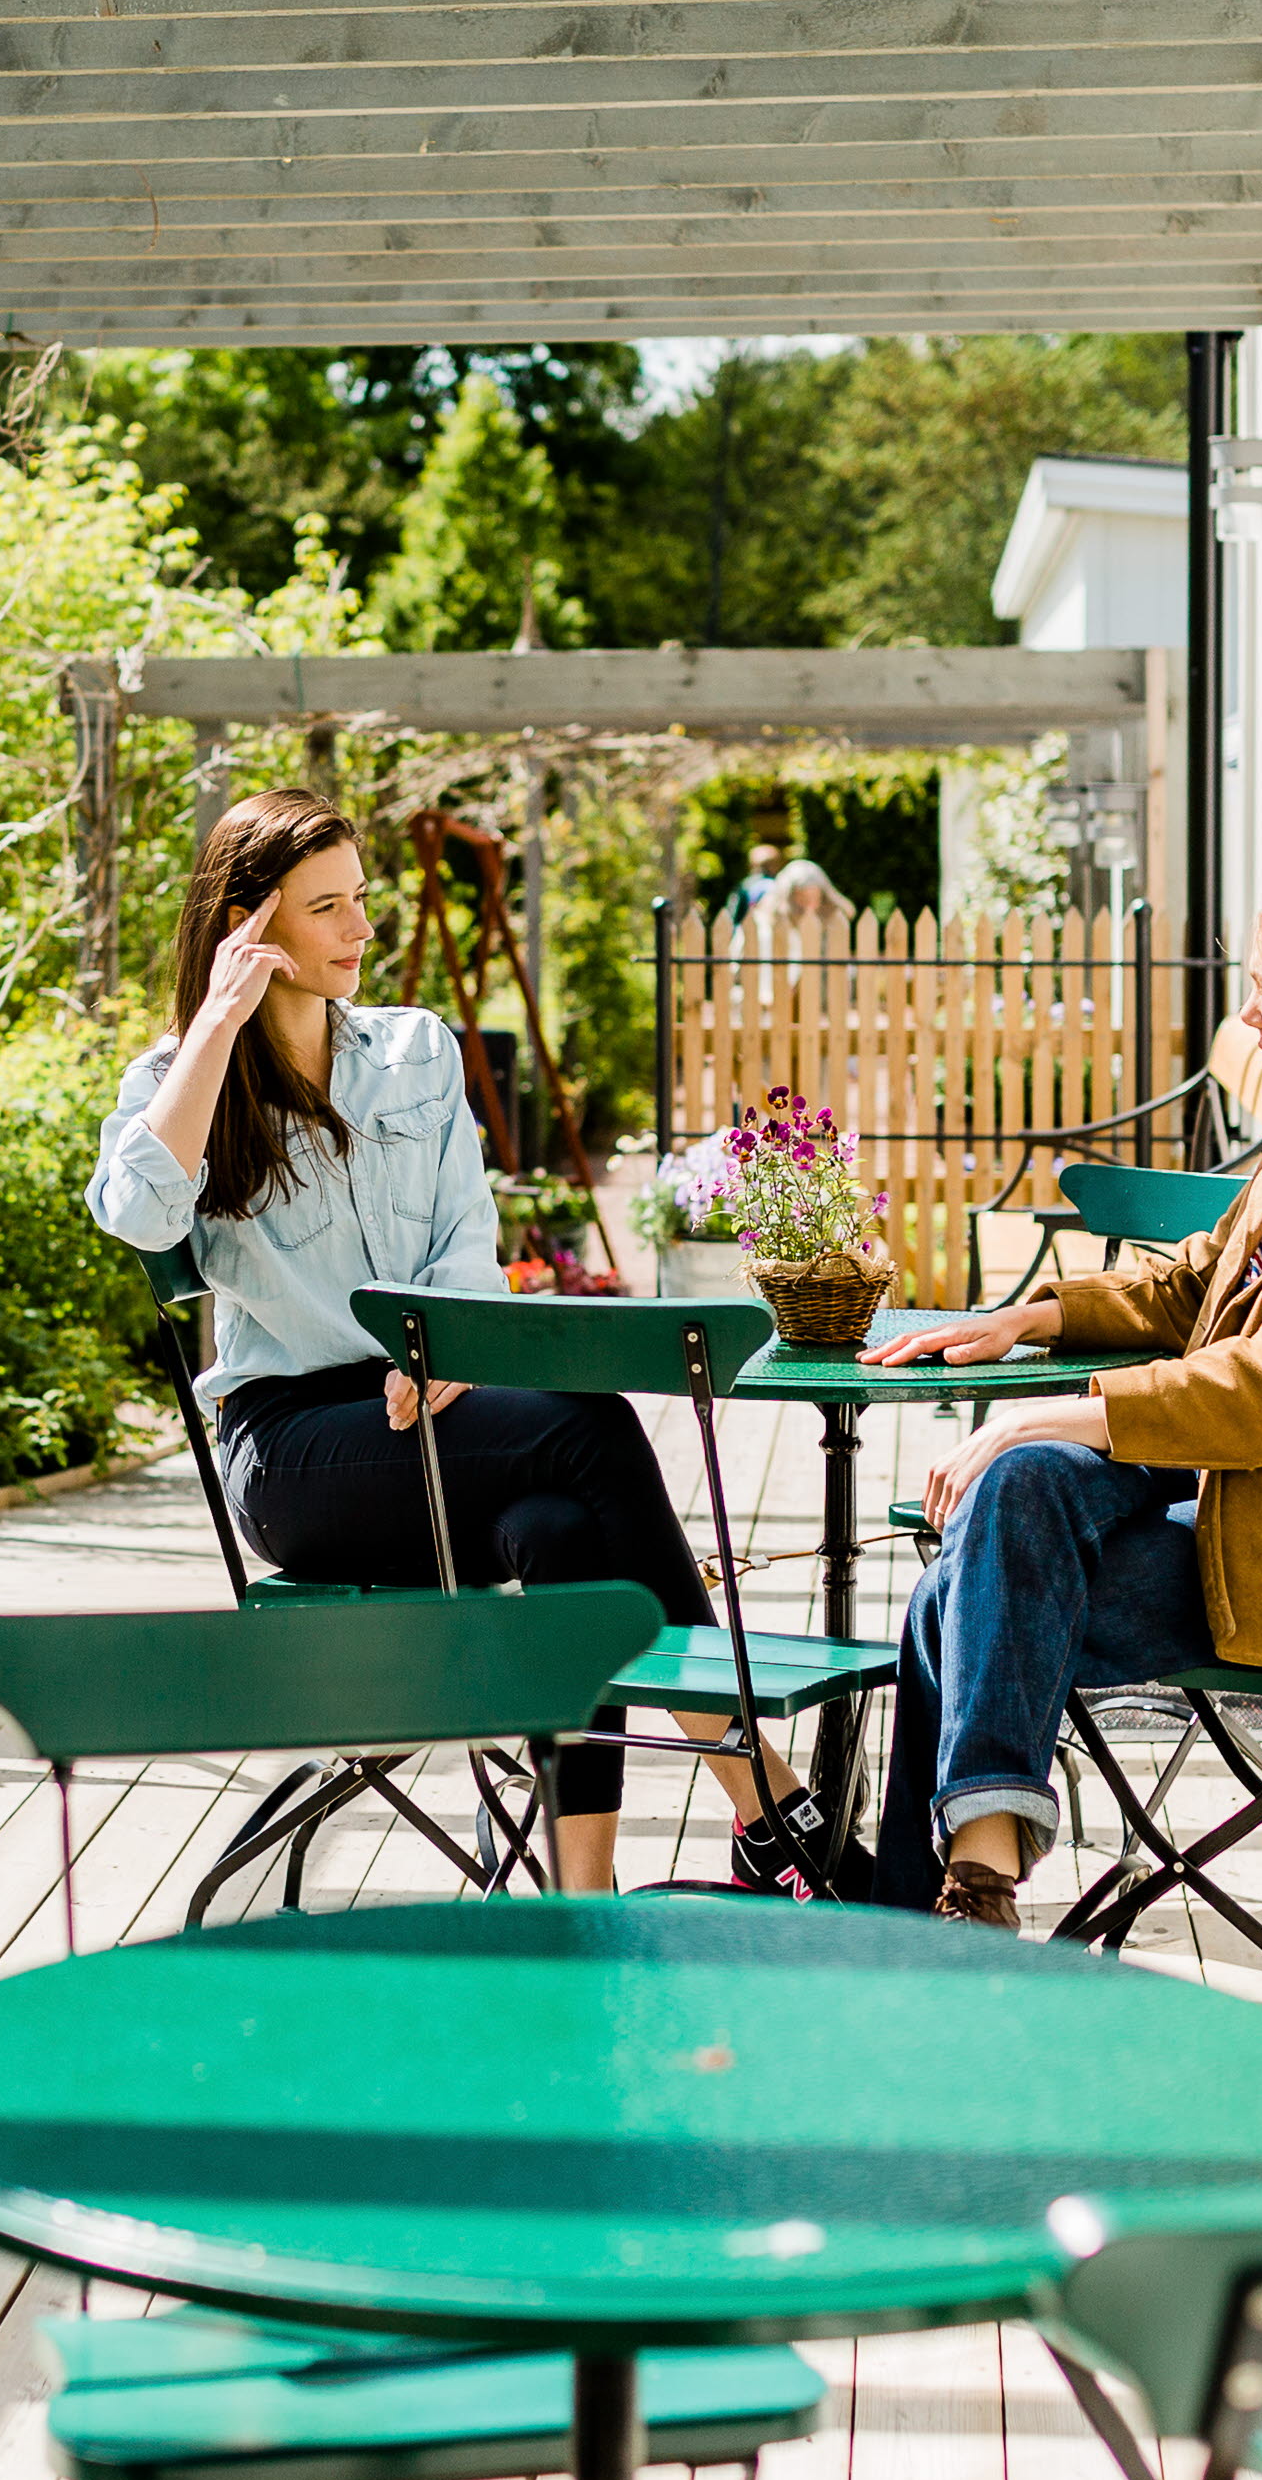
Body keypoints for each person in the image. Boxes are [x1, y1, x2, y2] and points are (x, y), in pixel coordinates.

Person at [89, 789, 846, 1901]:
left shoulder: (414, 1050)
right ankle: (765, 1793)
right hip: (295, 1449)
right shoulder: (177, 1080)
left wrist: (448, 1346)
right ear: (248, 925)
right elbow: (136, 1216)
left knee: (564, 1537)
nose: (360, 928)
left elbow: (464, 1240)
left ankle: (580, 1897)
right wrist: (215, 1023)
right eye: (326, 907)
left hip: (435, 1409)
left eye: (361, 898)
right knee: (592, 1426)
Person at [859, 866, 1262, 1928]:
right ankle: (951, 1902)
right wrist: (1032, 1318)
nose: (1248, 1020)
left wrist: (1046, 1411)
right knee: (1009, 1508)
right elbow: (1196, 1285)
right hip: (1227, 1503)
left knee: (963, 1581)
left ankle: (944, 1906)